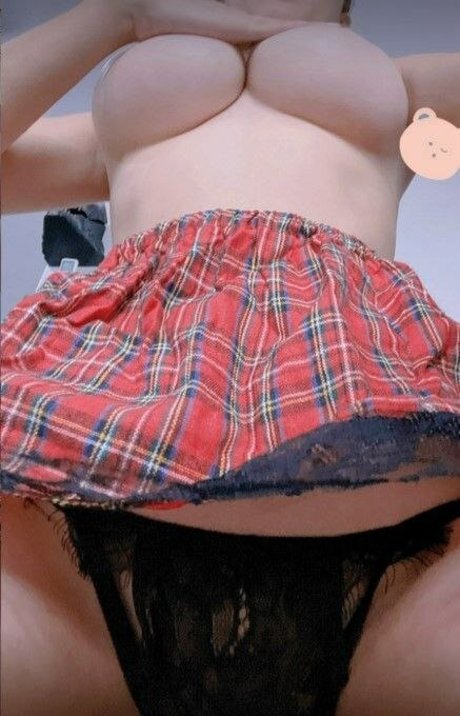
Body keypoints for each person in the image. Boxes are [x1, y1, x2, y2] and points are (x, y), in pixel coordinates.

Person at [1, 1, 459, 714]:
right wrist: (122, 15)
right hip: (92, 470)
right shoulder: (111, 137)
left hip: (391, 499)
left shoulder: (404, 105)